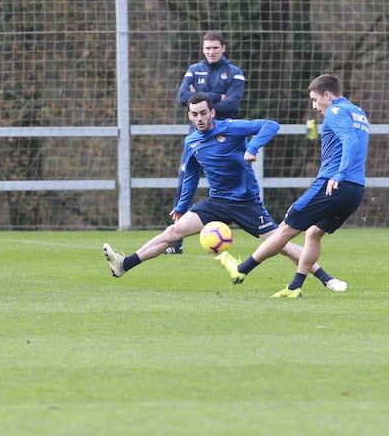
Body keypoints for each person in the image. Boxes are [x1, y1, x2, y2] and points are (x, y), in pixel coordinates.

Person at [103, 93, 347, 292]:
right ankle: (125, 264)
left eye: (203, 113)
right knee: (174, 231)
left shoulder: (231, 128)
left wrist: (252, 147)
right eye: (194, 114)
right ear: (189, 116)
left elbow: (270, 125)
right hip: (217, 202)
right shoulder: (191, 143)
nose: (199, 118)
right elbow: (190, 176)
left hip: (246, 203)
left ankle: (327, 278)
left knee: (280, 244)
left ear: (212, 113)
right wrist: (181, 206)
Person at [218, 74, 368, 298]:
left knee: (285, 229)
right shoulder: (359, 113)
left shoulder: (336, 112)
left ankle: (241, 270)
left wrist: (338, 174)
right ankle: (295, 287)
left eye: (315, 100)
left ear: (327, 95)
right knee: (314, 234)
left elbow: (350, 141)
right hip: (355, 189)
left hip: (332, 183)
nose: (315, 106)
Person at [169, 30, 247, 254]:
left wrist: (200, 95)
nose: (211, 52)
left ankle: (257, 227)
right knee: (185, 183)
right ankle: (176, 242)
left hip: (225, 141)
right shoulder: (194, 69)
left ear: (223, 48)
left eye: (215, 47)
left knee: (233, 186)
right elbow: (184, 97)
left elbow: (232, 105)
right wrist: (216, 97)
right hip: (198, 140)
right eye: (207, 48)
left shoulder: (234, 72)